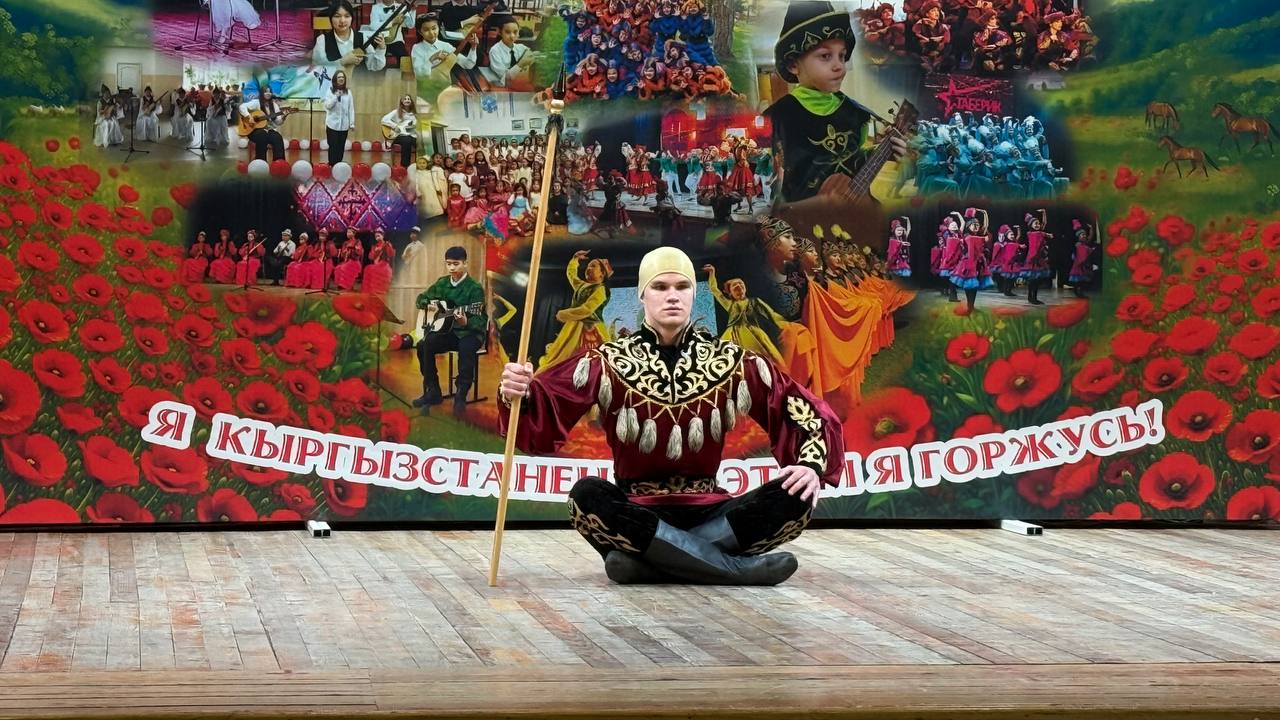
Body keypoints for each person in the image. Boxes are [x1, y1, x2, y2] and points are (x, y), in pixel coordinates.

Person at [497, 246, 844, 585]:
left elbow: (798, 406)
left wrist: (810, 465)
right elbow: (544, 403)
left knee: (795, 494)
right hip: (635, 511)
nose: (672, 296)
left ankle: (649, 564)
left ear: (694, 294)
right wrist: (520, 391)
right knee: (586, 496)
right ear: (642, 295)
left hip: (712, 511)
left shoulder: (732, 361)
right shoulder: (606, 361)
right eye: (660, 287)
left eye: (682, 287)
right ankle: (733, 569)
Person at [762, 1, 906, 204]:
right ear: (794, 65)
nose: (839, 66)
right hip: (803, 216)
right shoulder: (778, 117)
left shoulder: (856, 114)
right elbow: (774, 179)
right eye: (825, 56)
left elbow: (851, 163)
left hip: (849, 212)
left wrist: (882, 153)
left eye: (842, 56)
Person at [415, 246, 487, 417]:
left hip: (470, 333)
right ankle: (433, 391)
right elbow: (421, 299)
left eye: (456, 264)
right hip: (449, 331)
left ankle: (461, 394)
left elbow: (481, 320)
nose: (452, 268)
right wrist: (428, 304)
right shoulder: (442, 283)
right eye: (448, 264)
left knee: (466, 347)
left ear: (465, 263)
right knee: (424, 344)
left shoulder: (474, 288)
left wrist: (466, 321)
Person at [538, 250, 612, 370]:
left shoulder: (601, 289)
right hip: (573, 326)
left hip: (592, 328)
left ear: (602, 273)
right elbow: (571, 275)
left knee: (593, 361)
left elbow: (587, 309)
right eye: (588, 266)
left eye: (593, 266)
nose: (588, 268)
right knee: (561, 358)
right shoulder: (581, 286)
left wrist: (563, 314)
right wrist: (575, 259)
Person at [411, 13, 482, 91]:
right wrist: (432, 59)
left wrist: (473, 47)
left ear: (439, 28)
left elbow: (468, 65)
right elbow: (419, 75)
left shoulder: (446, 46)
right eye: (426, 30)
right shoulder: (417, 48)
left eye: (434, 28)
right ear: (420, 32)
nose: (431, 33)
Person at [312, 0, 387, 72]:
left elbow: (374, 65)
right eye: (337, 16)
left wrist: (381, 48)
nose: (342, 20)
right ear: (331, 18)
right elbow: (317, 68)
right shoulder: (322, 40)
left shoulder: (362, 38)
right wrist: (342, 61)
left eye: (347, 16)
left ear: (352, 18)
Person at [482, 16, 535, 89]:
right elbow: (506, 78)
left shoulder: (520, 47)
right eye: (507, 32)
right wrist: (520, 64)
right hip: (501, 87)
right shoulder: (495, 51)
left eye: (515, 32)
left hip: (519, 83)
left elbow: (532, 53)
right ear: (500, 32)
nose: (512, 36)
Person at [237, 86, 287, 162]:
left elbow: (277, 122)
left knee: (277, 137)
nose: (268, 93)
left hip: (269, 130)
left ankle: (279, 162)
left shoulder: (274, 105)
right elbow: (242, 107)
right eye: (266, 92)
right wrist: (249, 117)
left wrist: (284, 117)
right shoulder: (256, 102)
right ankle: (261, 161)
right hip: (253, 130)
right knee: (262, 135)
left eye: (269, 92)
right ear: (262, 93)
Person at [368, 0, 415, 68]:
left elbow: (410, 25)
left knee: (405, 61)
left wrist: (412, 11)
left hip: (396, 40)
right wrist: (392, 22)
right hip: (379, 40)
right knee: (370, 57)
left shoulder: (401, 7)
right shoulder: (375, 8)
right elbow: (373, 26)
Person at [323, 70, 355, 166]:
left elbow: (351, 108)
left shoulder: (348, 92)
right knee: (333, 146)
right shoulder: (330, 91)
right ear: (335, 79)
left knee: (341, 147)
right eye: (339, 77)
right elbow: (328, 106)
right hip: (332, 124)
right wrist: (335, 97)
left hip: (344, 125)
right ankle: (332, 165)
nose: (341, 79)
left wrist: (352, 123)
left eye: (343, 77)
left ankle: (338, 166)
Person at [380, 95, 417, 167]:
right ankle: (404, 166)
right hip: (399, 136)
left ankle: (420, 165)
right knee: (407, 140)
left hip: (412, 135)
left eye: (408, 99)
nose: (407, 100)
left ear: (411, 101)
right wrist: (395, 126)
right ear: (401, 102)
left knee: (420, 142)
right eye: (405, 99)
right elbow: (384, 120)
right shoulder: (396, 112)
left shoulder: (414, 114)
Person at [362, 228, 396, 294]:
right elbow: (370, 257)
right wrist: (375, 252)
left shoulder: (386, 244)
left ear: (383, 236)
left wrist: (388, 247)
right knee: (367, 268)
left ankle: (379, 290)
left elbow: (391, 254)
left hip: (384, 265)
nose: (377, 237)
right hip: (376, 265)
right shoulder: (374, 246)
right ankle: (371, 289)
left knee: (372, 269)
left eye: (378, 235)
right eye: (376, 236)